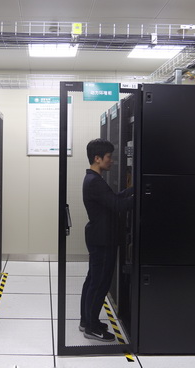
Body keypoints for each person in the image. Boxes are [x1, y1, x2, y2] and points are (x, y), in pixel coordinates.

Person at [80, 138, 133, 342]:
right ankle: (91, 327)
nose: (112, 161)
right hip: (103, 239)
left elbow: (113, 199)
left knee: (92, 280)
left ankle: (87, 320)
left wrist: (132, 189)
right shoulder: (95, 181)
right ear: (97, 158)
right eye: (109, 157)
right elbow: (118, 205)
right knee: (99, 283)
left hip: (99, 237)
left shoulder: (93, 179)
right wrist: (142, 195)